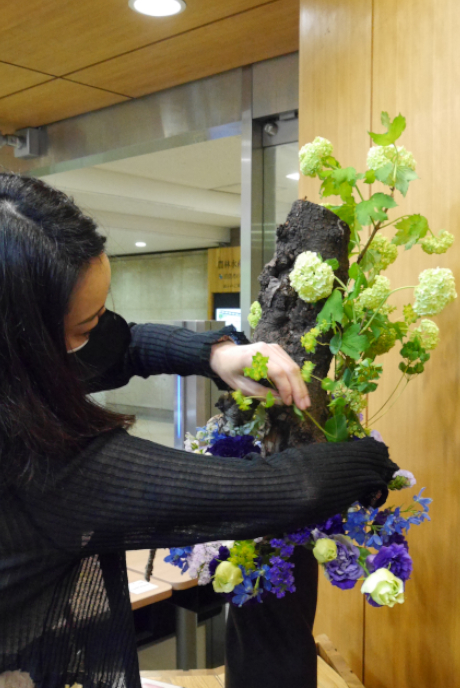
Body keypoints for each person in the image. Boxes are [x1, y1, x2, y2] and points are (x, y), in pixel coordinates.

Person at [0, 172, 397, 688]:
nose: (97, 333)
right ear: (27, 337)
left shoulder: (18, 361)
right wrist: (374, 458)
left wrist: (217, 353)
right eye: (84, 325)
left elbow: (123, 345)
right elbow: (284, 489)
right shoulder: (37, 462)